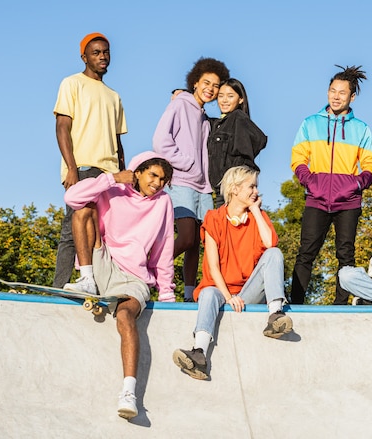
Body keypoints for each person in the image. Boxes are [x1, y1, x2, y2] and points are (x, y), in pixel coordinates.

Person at [63, 151, 176, 419]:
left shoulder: (163, 203)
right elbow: (71, 198)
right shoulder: (113, 189)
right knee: (84, 209)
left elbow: (164, 247)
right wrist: (110, 179)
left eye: (163, 179)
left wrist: (167, 292)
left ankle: (128, 392)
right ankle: (87, 280)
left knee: (125, 316)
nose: (158, 183)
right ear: (137, 172)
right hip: (104, 261)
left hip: (134, 278)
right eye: (153, 175)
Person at [172, 166, 293, 380]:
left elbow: (270, 244)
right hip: (220, 291)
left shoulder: (259, 217)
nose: (256, 191)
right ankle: (199, 354)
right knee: (208, 293)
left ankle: (275, 315)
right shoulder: (214, 218)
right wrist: (228, 297)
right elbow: (213, 267)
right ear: (235, 189)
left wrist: (255, 211)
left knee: (274, 253)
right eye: (251, 186)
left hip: (247, 292)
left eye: (256, 186)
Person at [289, 65, 372, 305]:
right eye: (332, 91)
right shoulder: (310, 123)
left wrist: (357, 184)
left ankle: (340, 307)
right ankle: (296, 305)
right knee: (306, 253)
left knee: (346, 256)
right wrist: (311, 181)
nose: (336, 96)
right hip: (317, 198)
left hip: (348, 201)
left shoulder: (361, 128)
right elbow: (298, 158)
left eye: (342, 92)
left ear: (352, 97)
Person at [52, 32, 127, 288]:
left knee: (104, 231)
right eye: (96, 53)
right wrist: (71, 168)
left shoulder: (114, 96)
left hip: (110, 174)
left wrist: (124, 176)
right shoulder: (71, 83)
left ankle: (102, 282)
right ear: (84, 57)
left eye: (106, 52)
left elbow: (118, 143)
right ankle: (59, 287)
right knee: (74, 228)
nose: (102, 57)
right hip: (82, 168)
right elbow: (62, 127)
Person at [153, 57, 230, 302]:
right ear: (195, 83)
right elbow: (161, 142)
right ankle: (150, 269)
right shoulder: (180, 105)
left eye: (216, 85)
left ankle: (189, 293)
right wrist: (187, 163)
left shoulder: (205, 118)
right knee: (185, 237)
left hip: (204, 187)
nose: (211, 88)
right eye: (206, 82)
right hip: (183, 181)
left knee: (198, 242)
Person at [207, 78, 267, 207]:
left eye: (230, 96)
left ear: (240, 99)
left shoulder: (238, 118)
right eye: (220, 96)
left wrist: (237, 179)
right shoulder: (216, 124)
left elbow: (259, 139)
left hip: (232, 189)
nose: (224, 100)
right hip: (216, 190)